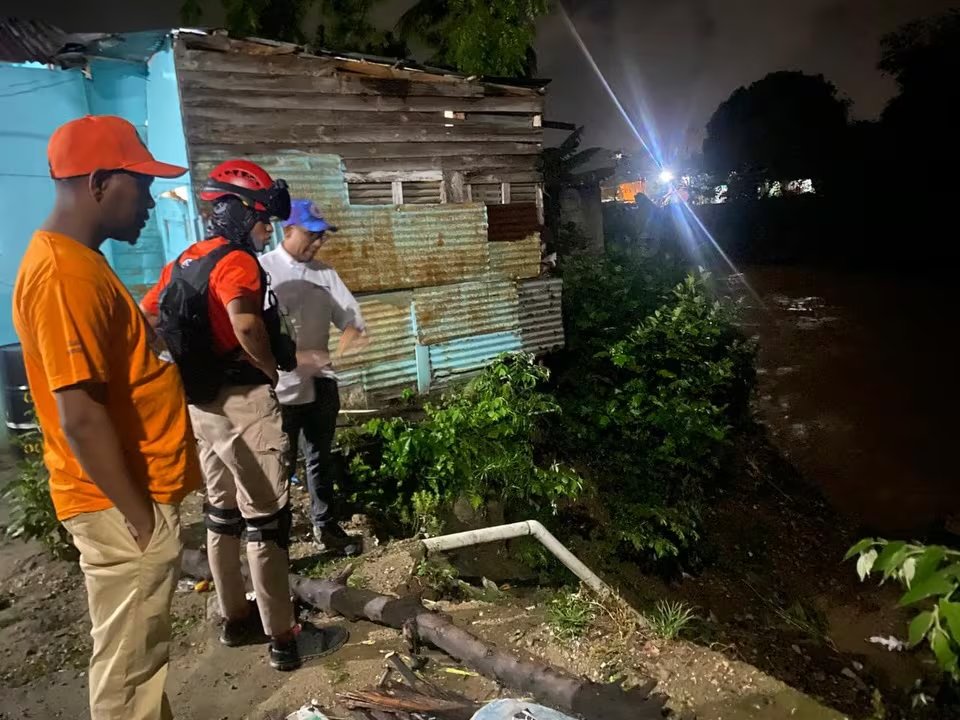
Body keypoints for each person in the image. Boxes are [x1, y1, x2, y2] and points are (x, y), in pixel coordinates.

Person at [12, 115, 202, 720]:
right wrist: (142, 520)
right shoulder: (65, 275)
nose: (150, 199)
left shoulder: (78, 262)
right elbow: (81, 418)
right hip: (120, 506)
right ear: (98, 182)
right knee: (127, 684)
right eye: (140, 183)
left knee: (139, 671)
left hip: (124, 500)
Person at [140, 162, 347, 671]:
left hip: (201, 404)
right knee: (267, 522)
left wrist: (181, 362)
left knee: (221, 514)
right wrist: (269, 370)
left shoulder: (184, 260)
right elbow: (248, 324)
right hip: (243, 403)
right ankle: (284, 638)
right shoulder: (237, 262)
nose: (266, 230)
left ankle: (234, 620)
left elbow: (148, 320)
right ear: (235, 213)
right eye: (261, 219)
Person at [259, 200, 368, 556]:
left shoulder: (325, 275)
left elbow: (352, 322)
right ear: (287, 230)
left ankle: (326, 526)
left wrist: (336, 351)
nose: (317, 243)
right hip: (278, 387)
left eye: (321, 237)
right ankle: (276, 538)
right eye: (311, 235)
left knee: (320, 457)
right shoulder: (263, 271)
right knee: (279, 461)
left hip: (321, 383)